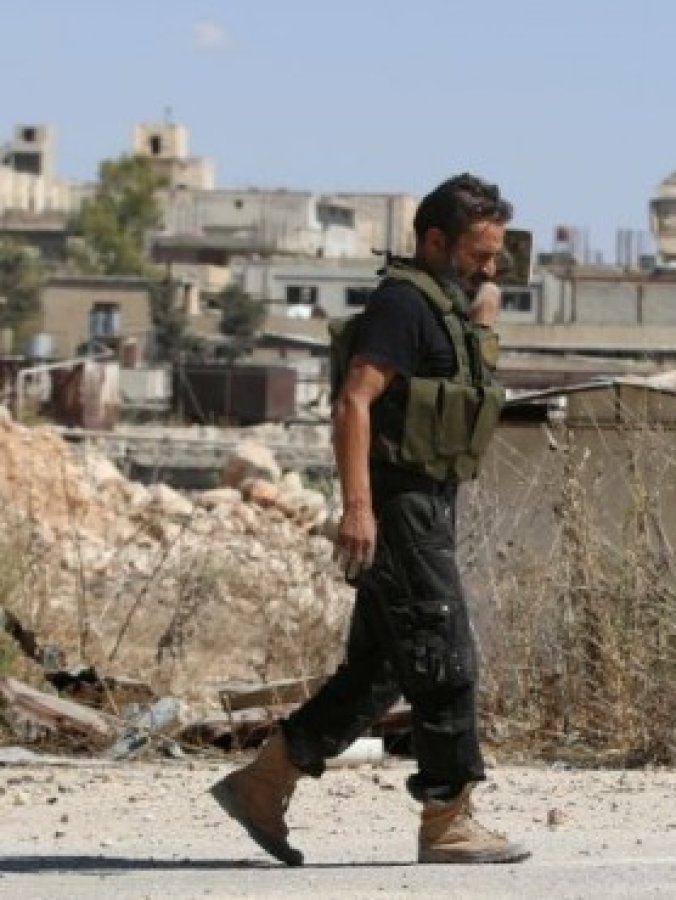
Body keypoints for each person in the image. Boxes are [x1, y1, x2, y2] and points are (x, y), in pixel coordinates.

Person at [211, 173, 526, 866]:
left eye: (496, 255)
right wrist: (358, 508)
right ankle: (447, 819)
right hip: (398, 505)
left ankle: (263, 783)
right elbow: (353, 402)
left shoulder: (448, 309)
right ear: (435, 242)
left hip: (427, 503)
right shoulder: (401, 304)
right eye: (479, 253)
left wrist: (484, 309)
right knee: (446, 659)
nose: (489, 266)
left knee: (379, 673)